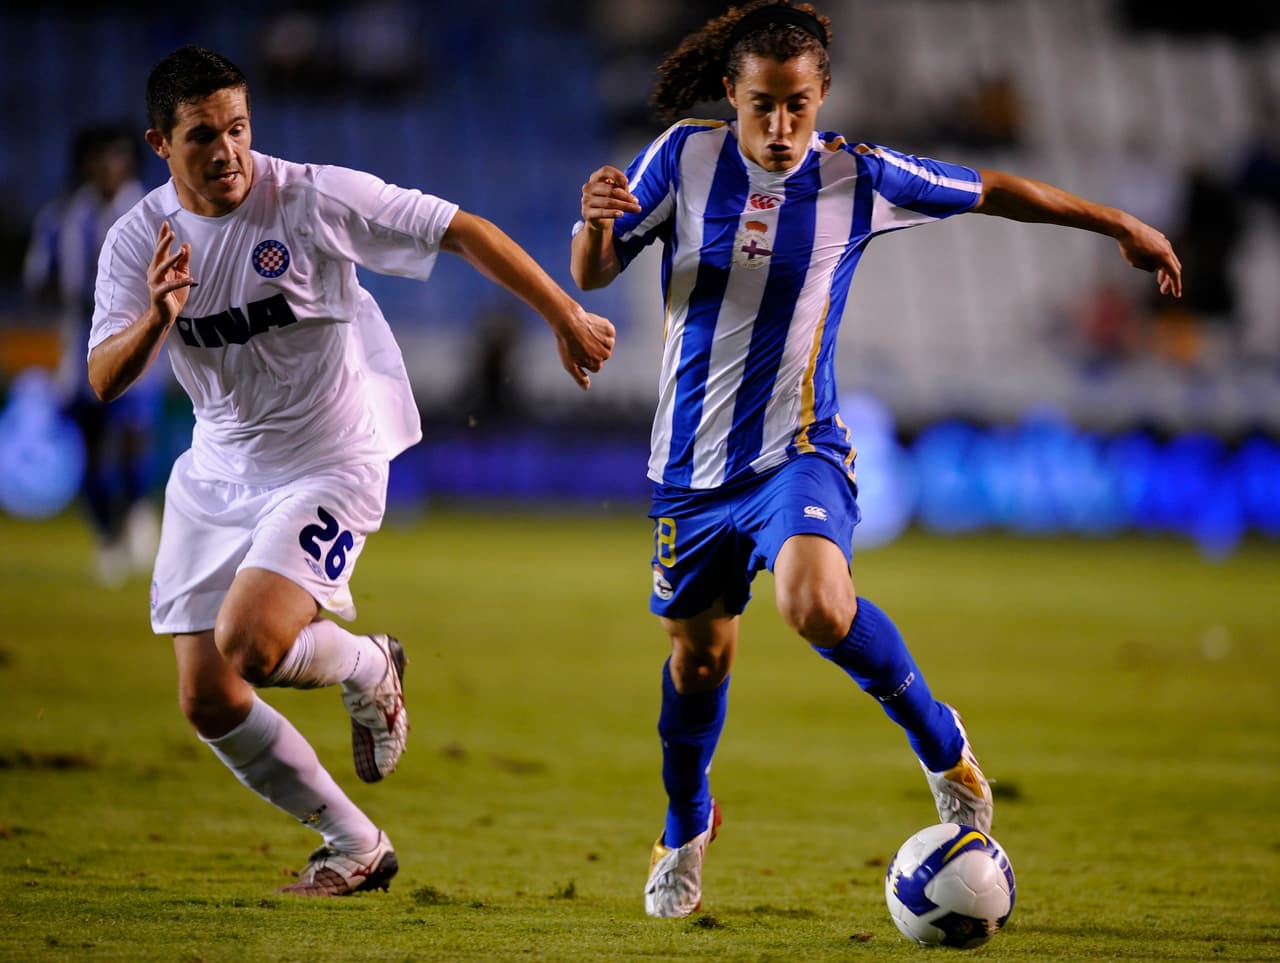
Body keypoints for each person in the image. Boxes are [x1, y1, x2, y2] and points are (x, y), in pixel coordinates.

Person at [570, 0, 1181, 919]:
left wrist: (1118, 224)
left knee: (814, 602)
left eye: (798, 106)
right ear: (731, 95)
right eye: (763, 106)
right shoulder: (681, 159)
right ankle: (686, 825)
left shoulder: (861, 175)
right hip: (688, 469)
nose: (780, 128)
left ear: (822, 97)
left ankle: (943, 747)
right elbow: (593, 271)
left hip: (799, 450)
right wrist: (592, 221)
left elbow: (996, 189)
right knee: (698, 662)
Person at [89, 45, 615, 896]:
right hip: (218, 469)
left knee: (252, 643)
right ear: (160, 143)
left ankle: (371, 665)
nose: (226, 151)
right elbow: (103, 378)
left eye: (238, 128)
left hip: (330, 458)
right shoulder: (134, 243)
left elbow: (460, 228)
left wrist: (563, 313)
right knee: (207, 700)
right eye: (201, 137)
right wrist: (156, 318)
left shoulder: (310, 195)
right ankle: (355, 844)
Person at [24, 125, 162, 586]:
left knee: (132, 434)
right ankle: (107, 535)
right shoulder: (64, 216)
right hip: (80, 346)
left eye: (117, 159)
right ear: (88, 165)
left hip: (138, 340)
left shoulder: (151, 209)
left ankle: (138, 512)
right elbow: (38, 278)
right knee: (90, 450)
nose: (109, 168)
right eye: (101, 159)